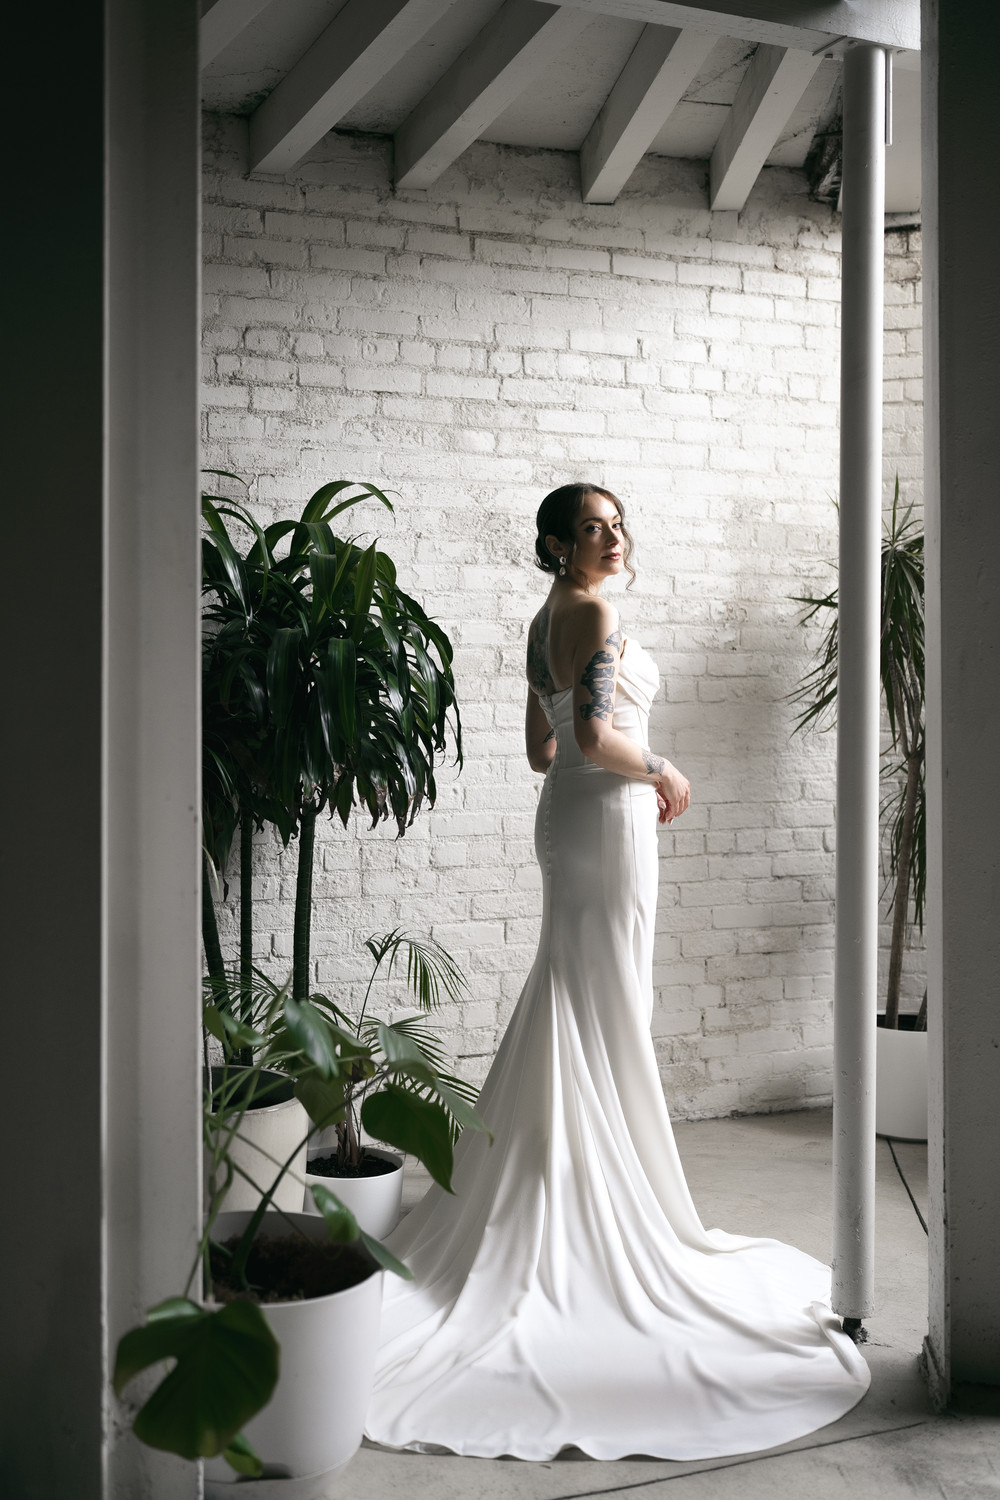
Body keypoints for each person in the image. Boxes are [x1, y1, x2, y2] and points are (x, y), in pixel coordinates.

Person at [364, 483, 870, 1461]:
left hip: (574, 817)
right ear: (556, 544)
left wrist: (614, 770)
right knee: (599, 999)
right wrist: (660, 769)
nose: (613, 535)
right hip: (606, 818)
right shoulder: (588, 609)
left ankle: (552, 1177)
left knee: (580, 994)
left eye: (617, 520)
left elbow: (537, 747)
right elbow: (589, 741)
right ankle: (589, 1195)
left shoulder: (544, 618)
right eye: (592, 526)